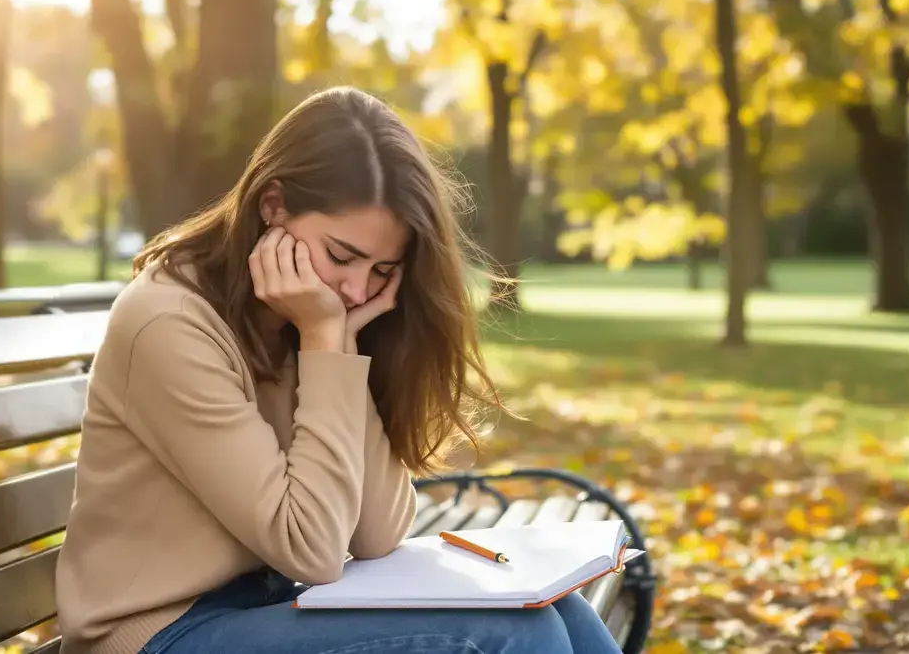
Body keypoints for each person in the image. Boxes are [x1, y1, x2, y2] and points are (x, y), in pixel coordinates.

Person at [55, 86, 623, 654]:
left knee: (555, 608)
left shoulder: (305, 317)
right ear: (273, 205)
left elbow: (378, 532)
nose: (355, 290)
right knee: (511, 634)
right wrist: (326, 342)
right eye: (342, 256)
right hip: (156, 635)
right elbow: (314, 550)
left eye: (382, 269)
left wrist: (337, 347)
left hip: (264, 605)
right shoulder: (170, 323)